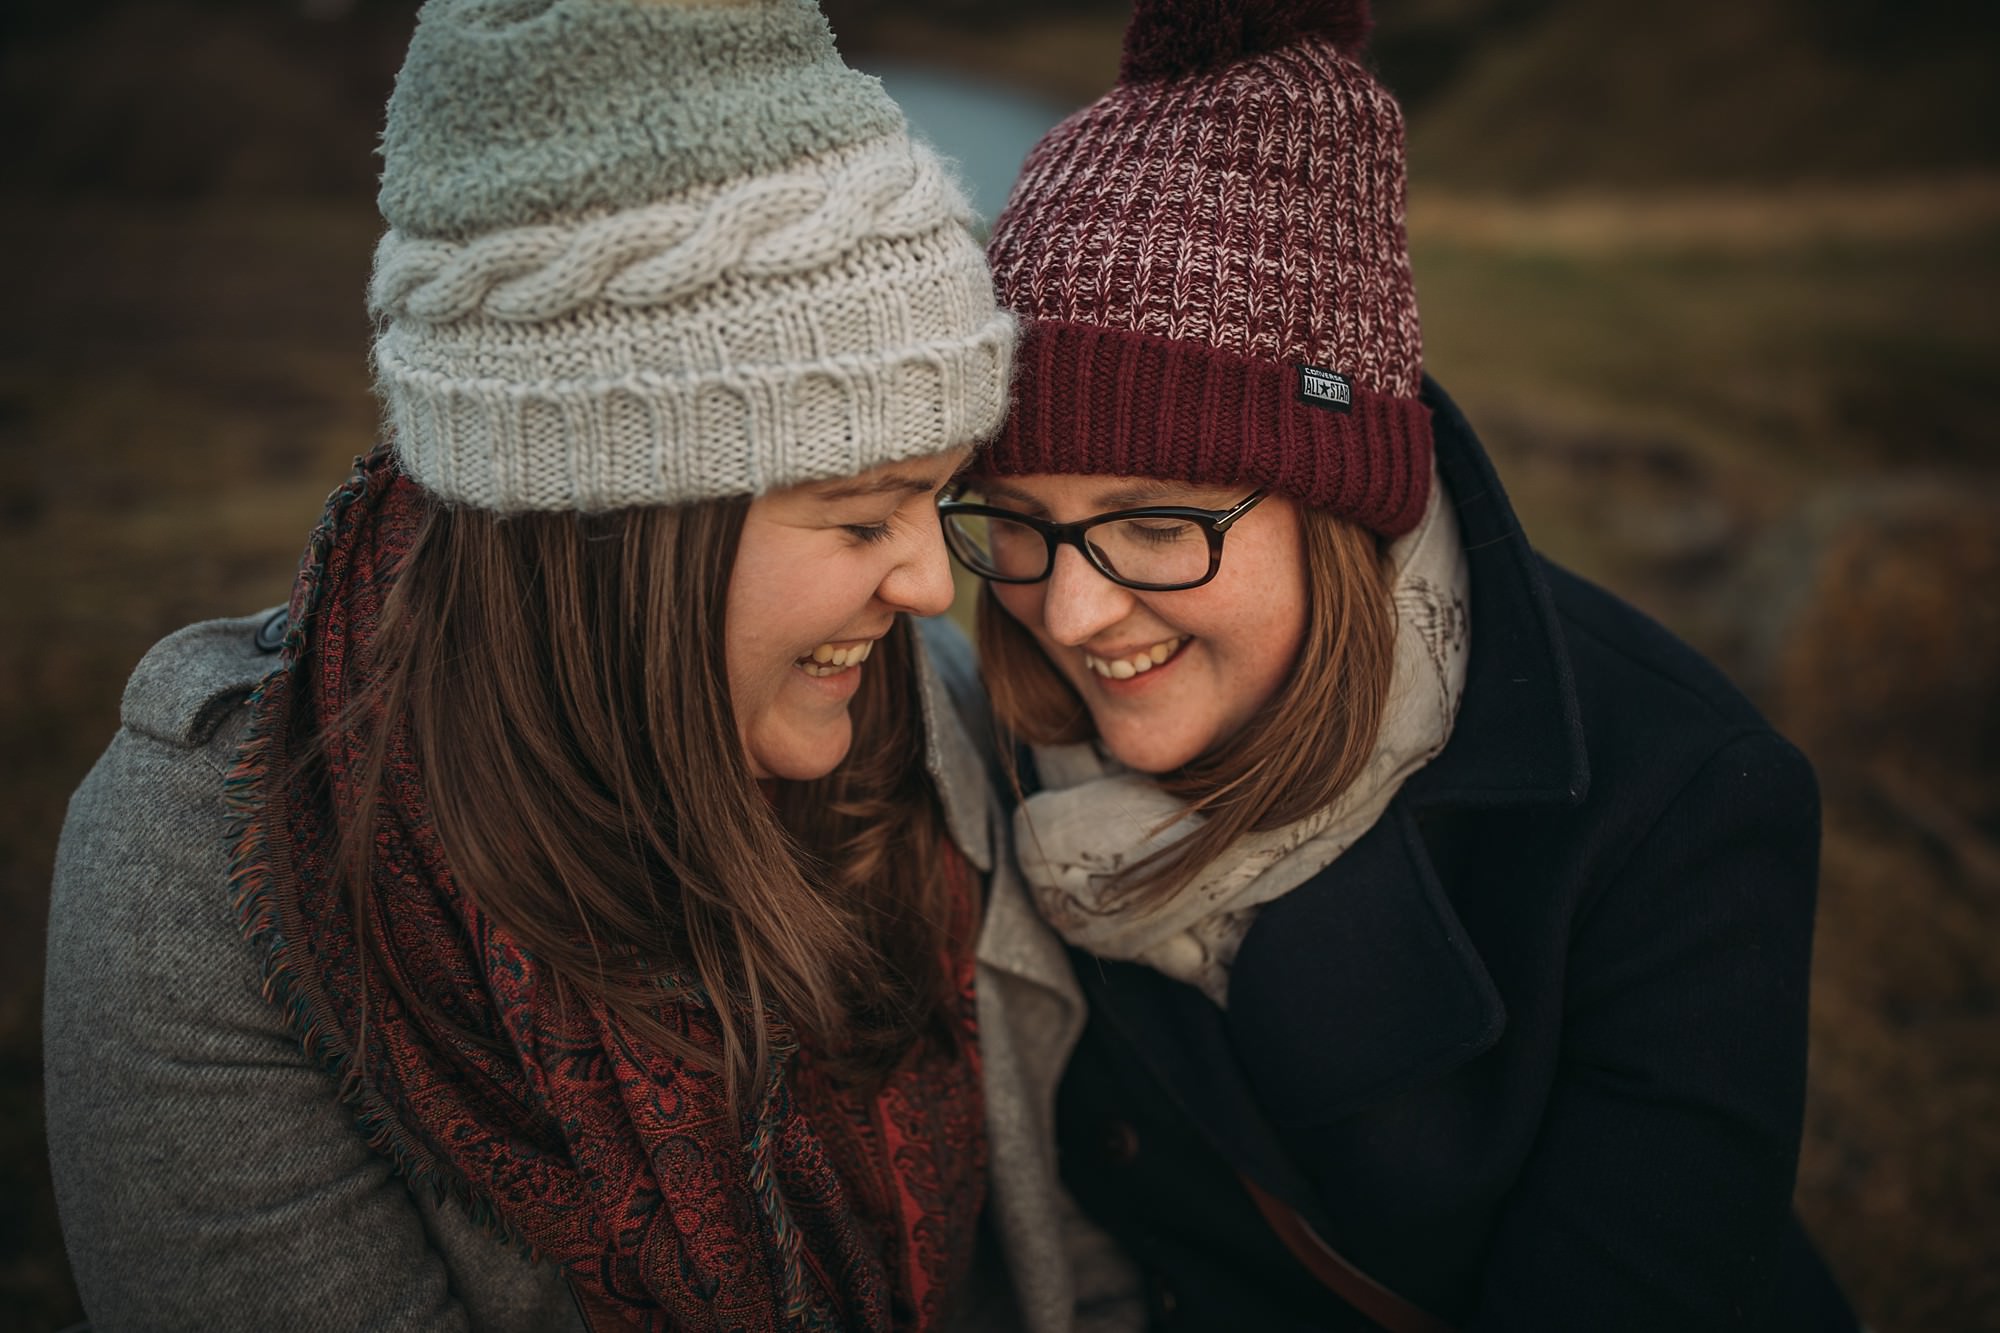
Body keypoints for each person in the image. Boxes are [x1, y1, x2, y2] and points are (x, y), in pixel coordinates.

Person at [43, 1, 1098, 1329]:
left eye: (938, 500)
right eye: (857, 514)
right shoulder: (212, 881)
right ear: (617, 531)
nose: (930, 586)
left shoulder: (917, 726)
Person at [939, 0, 1860, 1328]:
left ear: (1341, 504)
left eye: (1155, 520)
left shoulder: (1675, 810)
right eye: (1017, 522)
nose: (1068, 614)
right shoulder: (1002, 746)